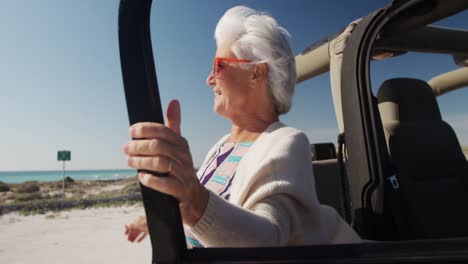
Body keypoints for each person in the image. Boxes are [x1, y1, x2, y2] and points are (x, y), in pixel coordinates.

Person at [123, 6, 361, 248]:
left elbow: (270, 238)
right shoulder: (221, 146)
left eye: (218, 66)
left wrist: (194, 201)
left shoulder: (287, 141)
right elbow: (203, 217)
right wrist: (163, 214)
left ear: (256, 72)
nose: (209, 79)